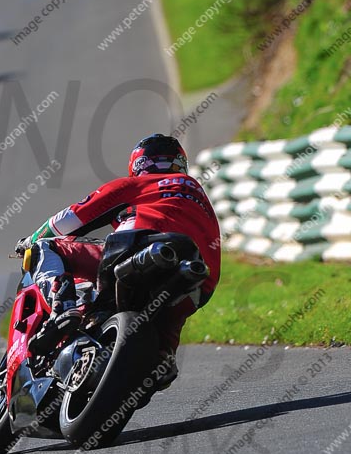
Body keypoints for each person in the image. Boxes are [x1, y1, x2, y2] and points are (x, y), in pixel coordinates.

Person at [16, 134, 221, 387]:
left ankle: (63, 307)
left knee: (45, 248)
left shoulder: (136, 185)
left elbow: (68, 219)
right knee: (165, 343)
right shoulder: (201, 199)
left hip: (137, 248)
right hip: (198, 283)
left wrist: (31, 239)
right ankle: (163, 356)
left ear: (138, 165)